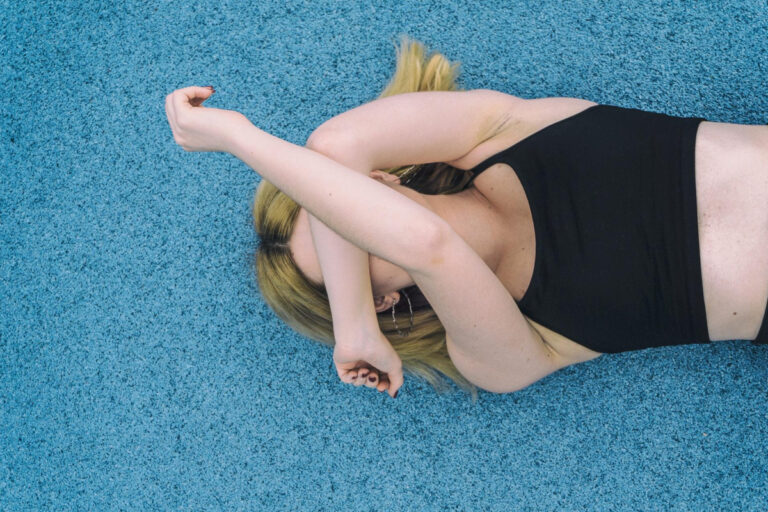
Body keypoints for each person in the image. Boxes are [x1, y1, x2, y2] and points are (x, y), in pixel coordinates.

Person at [165, 36, 768, 402]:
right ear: (381, 302)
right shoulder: (495, 354)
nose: (356, 225)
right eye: (347, 244)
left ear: (379, 178)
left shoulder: (495, 133)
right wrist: (356, 332)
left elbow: (333, 147)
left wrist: (239, 139)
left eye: (338, 211)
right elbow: (427, 245)